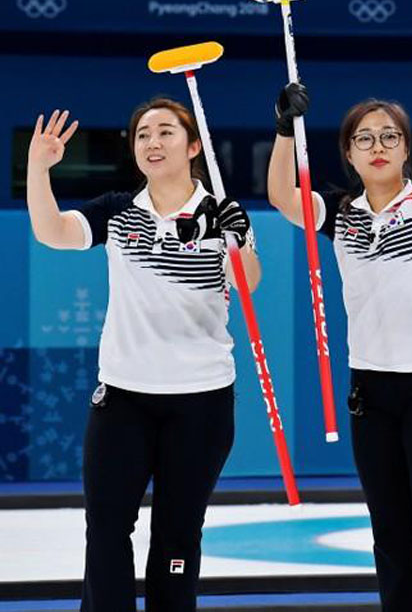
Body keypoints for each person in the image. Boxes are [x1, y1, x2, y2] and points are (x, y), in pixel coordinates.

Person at [266, 21, 412, 611]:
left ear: (408, 149)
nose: (378, 145)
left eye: (389, 136)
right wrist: (285, 129)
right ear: (349, 153)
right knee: (389, 529)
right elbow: (283, 196)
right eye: (365, 138)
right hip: (371, 390)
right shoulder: (339, 213)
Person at [26, 99, 258, 612]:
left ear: (194, 146)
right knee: (106, 532)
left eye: (166, 132)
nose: (152, 142)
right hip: (124, 400)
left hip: (201, 402)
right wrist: (38, 169)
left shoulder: (220, 214)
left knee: (178, 537)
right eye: (142, 135)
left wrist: (236, 240)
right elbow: (52, 233)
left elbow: (250, 285)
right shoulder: (117, 210)